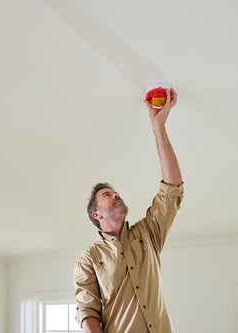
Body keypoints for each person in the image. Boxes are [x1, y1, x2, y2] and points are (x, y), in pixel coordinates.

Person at [74, 88, 184, 333]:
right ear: (96, 215)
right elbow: (87, 310)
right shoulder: (89, 258)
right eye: (107, 195)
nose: (116, 194)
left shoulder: (149, 233)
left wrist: (159, 127)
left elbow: (172, 188)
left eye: (116, 192)